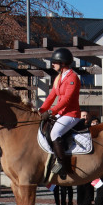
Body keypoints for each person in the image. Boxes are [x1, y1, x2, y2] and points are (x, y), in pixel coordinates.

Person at [37, 48, 81, 178]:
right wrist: (41, 110)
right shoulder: (58, 78)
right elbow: (51, 97)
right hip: (61, 113)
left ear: (62, 63)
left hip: (71, 114)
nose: (53, 65)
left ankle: (61, 163)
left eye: (55, 62)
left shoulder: (73, 77)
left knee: (55, 132)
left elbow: (67, 99)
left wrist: (51, 111)